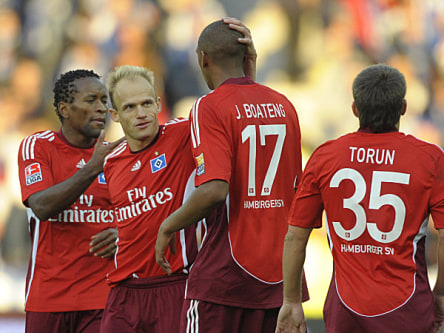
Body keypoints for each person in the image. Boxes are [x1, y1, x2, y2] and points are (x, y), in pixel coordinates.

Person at [101, 18, 256, 333]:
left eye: (147, 103)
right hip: (123, 293)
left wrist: (248, 65)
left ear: (159, 103)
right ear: (115, 115)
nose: (141, 113)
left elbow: (236, 106)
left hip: (176, 286)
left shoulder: (186, 133)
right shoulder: (110, 161)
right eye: (130, 107)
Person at [155, 19, 309, 332]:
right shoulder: (284, 105)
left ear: (203, 58)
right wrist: (249, 72)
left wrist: (168, 225)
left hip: (225, 279)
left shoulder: (208, 107)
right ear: (246, 56)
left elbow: (214, 190)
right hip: (279, 277)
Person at [275, 64, 444, 333]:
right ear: (403, 107)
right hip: (408, 309)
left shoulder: (325, 157)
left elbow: (295, 236)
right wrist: (441, 295)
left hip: (346, 311)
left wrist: (291, 300)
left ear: (355, 109)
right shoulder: (430, 159)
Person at [17, 69, 124, 333]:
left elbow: (142, 213)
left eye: (104, 100)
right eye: (91, 101)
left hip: (102, 298)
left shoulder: (120, 156)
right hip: (48, 298)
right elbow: (41, 206)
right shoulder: (37, 147)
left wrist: (123, 233)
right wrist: (91, 168)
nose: (101, 108)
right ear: (64, 109)